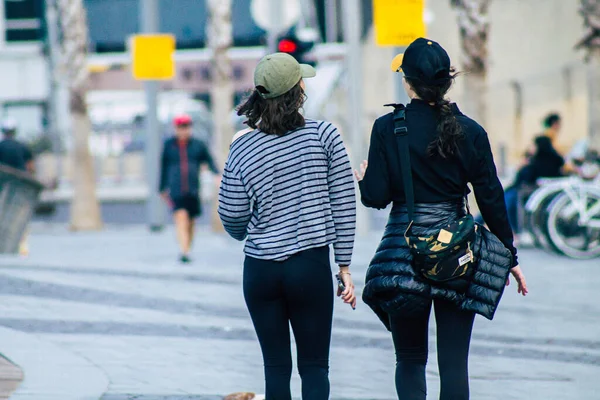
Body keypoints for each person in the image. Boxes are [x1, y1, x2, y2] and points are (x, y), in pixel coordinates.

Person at [354, 38, 528, 400]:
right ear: (447, 81)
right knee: (453, 364)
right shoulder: (471, 131)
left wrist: (363, 177)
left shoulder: (388, 127)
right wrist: (509, 256)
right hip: (458, 254)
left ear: (408, 81)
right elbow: (491, 197)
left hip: (403, 255)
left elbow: (375, 197)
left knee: (410, 359)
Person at [218, 52, 357, 399]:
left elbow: (231, 214)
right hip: (308, 266)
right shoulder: (324, 136)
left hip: (260, 271)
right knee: (314, 367)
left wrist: (248, 233)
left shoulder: (242, 148)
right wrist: (344, 264)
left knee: (276, 370)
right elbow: (343, 203)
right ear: (297, 92)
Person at [159, 114, 219, 263]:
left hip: (193, 189)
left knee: (191, 221)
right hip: (175, 190)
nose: (183, 131)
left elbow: (209, 160)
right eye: (180, 127)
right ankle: (184, 251)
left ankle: (187, 247)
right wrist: (161, 188)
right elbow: (163, 167)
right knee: (180, 217)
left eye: (186, 127)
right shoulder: (169, 145)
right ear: (176, 129)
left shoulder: (198, 145)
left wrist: (217, 174)